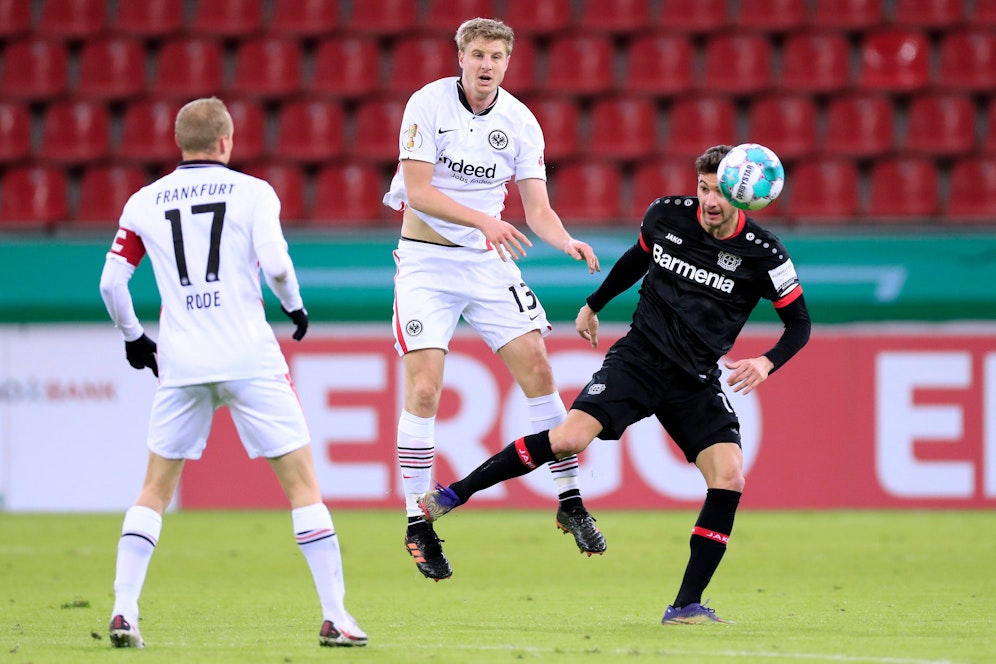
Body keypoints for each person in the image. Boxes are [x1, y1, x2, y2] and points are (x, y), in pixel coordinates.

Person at [417, 145, 812, 624]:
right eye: (703, 188)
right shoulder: (667, 215)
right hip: (640, 360)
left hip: (696, 379)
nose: (710, 200)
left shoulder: (765, 253)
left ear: (742, 197)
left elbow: (799, 324)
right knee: (567, 438)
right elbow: (635, 261)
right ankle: (452, 495)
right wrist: (594, 304)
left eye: (721, 192)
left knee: (728, 478)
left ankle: (685, 605)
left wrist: (768, 363)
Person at [98, 97, 366, 648]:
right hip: (249, 357)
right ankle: (335, 617)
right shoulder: (252, 192)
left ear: (180, 143)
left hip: (182, 360)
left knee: (153, 490)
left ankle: (125, 610)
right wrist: (294, 307)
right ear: (226, 142)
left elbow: (110, 284)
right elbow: (277, 265)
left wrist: (133, 338)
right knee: (302, 487)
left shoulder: (144, 201)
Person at [382, 17, 606, 581]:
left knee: (538, 368)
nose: (487, 65)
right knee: (426, 389)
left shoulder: (521, 121)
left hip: (486, 261)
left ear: (508, 62)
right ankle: (418, 520)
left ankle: (571, 500)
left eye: (497, 57)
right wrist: (485, 219)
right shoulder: (427, 105)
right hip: (427, 262)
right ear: (460, 56)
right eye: (478, 54)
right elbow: (419, 190)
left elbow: (536, 210)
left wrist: (565, 240)